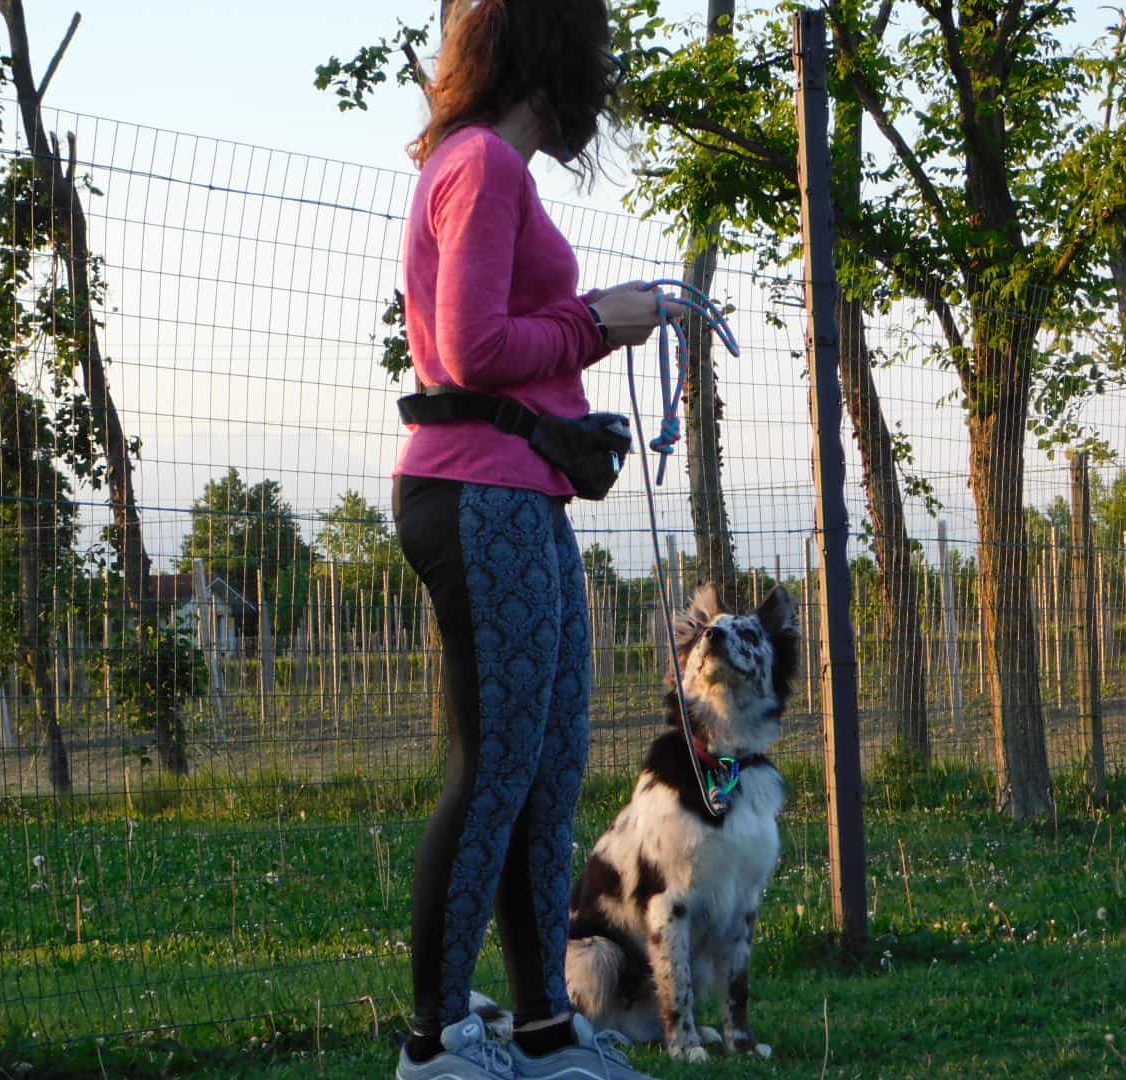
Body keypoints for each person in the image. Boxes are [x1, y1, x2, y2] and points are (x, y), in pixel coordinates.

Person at [392, 2, 663, 1078]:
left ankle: (544, 1029)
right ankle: (439, 1042)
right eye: (590, 50)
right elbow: (469, 348)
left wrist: (587, 343)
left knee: (548, 769)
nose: (599, 77)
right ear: (549, 52)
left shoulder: (490, 168)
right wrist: (601, 321)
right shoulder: (485, 168)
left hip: (521, 492)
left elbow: (499, 345)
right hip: (476, 493)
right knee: (496, 769)